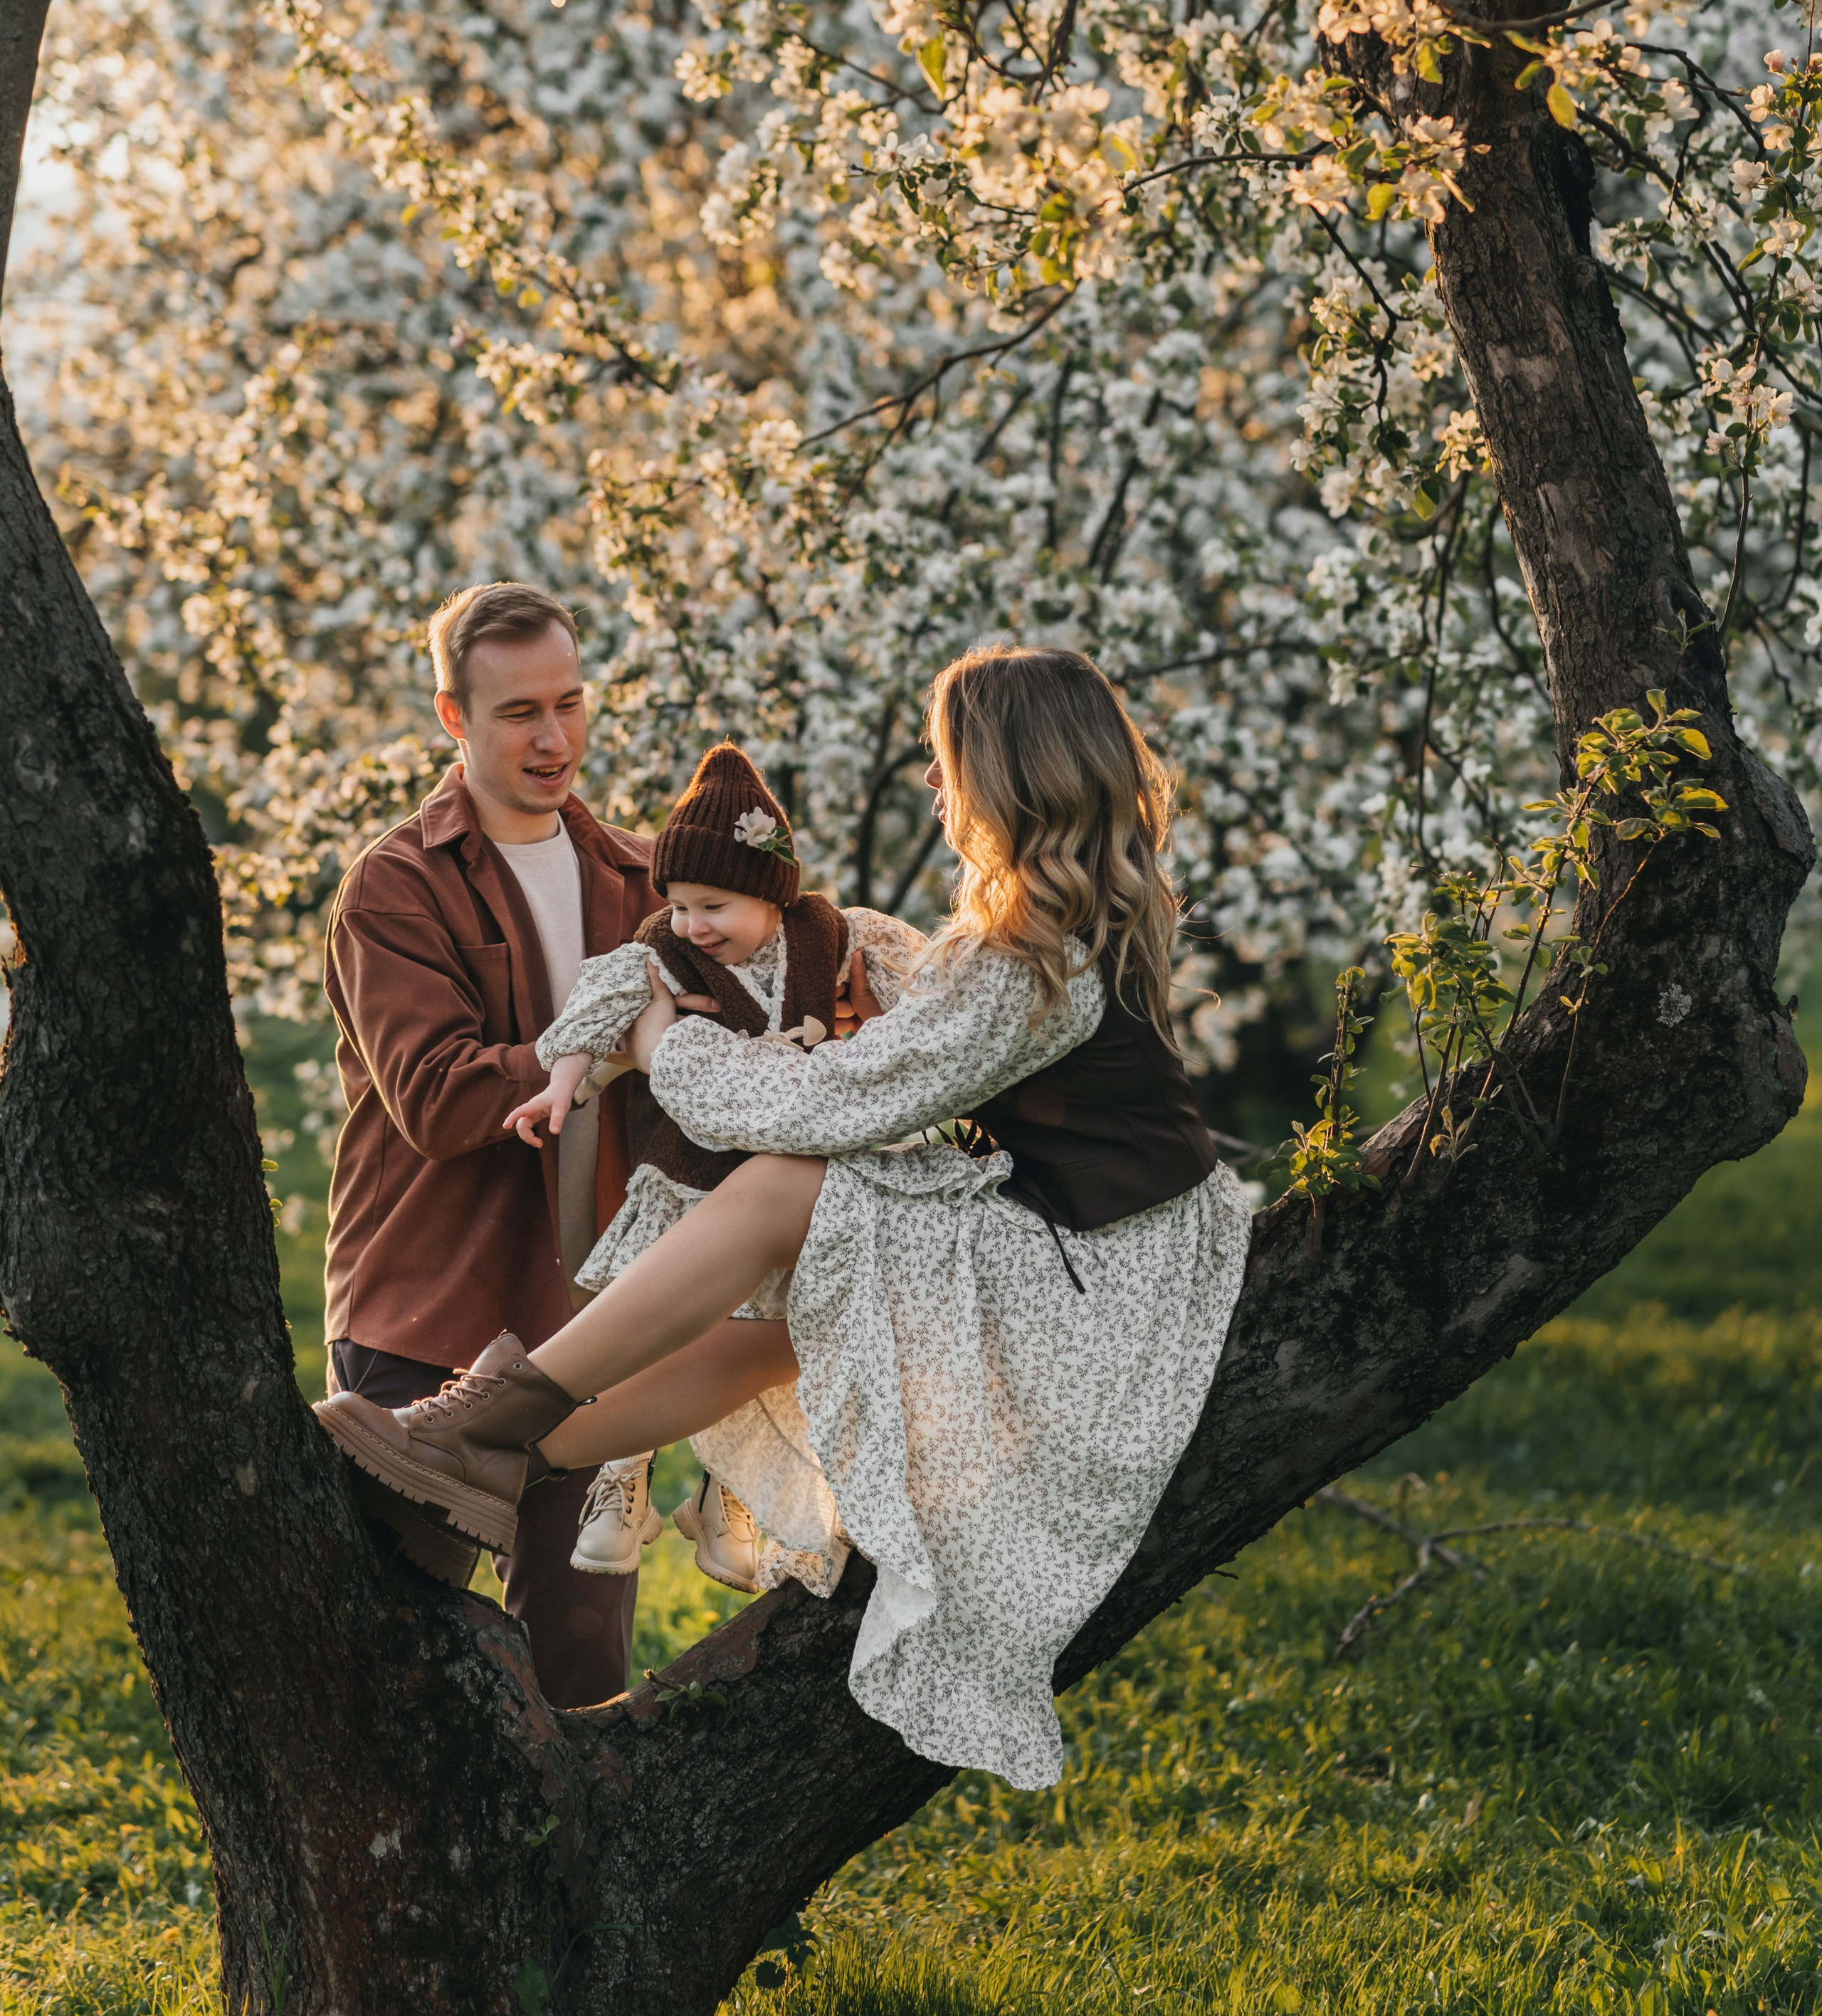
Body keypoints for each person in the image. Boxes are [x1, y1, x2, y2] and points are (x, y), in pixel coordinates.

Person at [315, 645, 1256, 1789]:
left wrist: (662, 1038)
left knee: (786, 1187)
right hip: (1092, 1250)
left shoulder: (1029, 960)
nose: (940, 793)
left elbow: (813, 1105)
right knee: (772, 1332)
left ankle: (477, 1424)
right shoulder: (1050, 933)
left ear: (1008, 782)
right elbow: (907, 1068)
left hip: (1100, 1288)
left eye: (949, 767)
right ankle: (514, 1456)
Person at [319, 580, 661, 1707]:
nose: (555, 737)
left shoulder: (645, 880)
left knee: (581, 1664)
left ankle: (590, 1885)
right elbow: (434, 1094)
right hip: (428, 1313)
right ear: (453, 718)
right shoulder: (395, 884)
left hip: (594, 1324)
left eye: (570, 702)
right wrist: (605, 1046)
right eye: (519, 713)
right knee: (395, 1666)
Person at [499, 739, 912, 1591]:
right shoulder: (668, 952)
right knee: (655, 1325)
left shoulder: (827, 937)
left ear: (772, 892)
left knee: (765, 1337)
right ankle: (622, 1474)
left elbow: (914, 1000)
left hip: (789, 1188)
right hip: (689, 1180)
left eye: (713, 903)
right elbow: (600, 999)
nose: (694, 925)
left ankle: (730, 1497)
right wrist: (562, 1085)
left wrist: (883, 1027)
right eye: (680, 903)